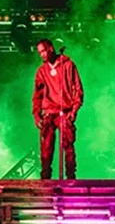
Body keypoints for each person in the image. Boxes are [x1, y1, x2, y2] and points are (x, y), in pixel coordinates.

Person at [32, 38, 83, 180]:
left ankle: (71, 177)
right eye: (39, 52)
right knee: (46, 147)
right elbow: (37, 95)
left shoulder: (68, 65)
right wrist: (36, 115)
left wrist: (74, 110)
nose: (42, 54)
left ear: (51, 48)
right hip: (48, 113)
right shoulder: (41, 71)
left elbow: (78, 89)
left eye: (43, 51)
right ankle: (45, 179)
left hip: (64, 111)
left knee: (68, 145)